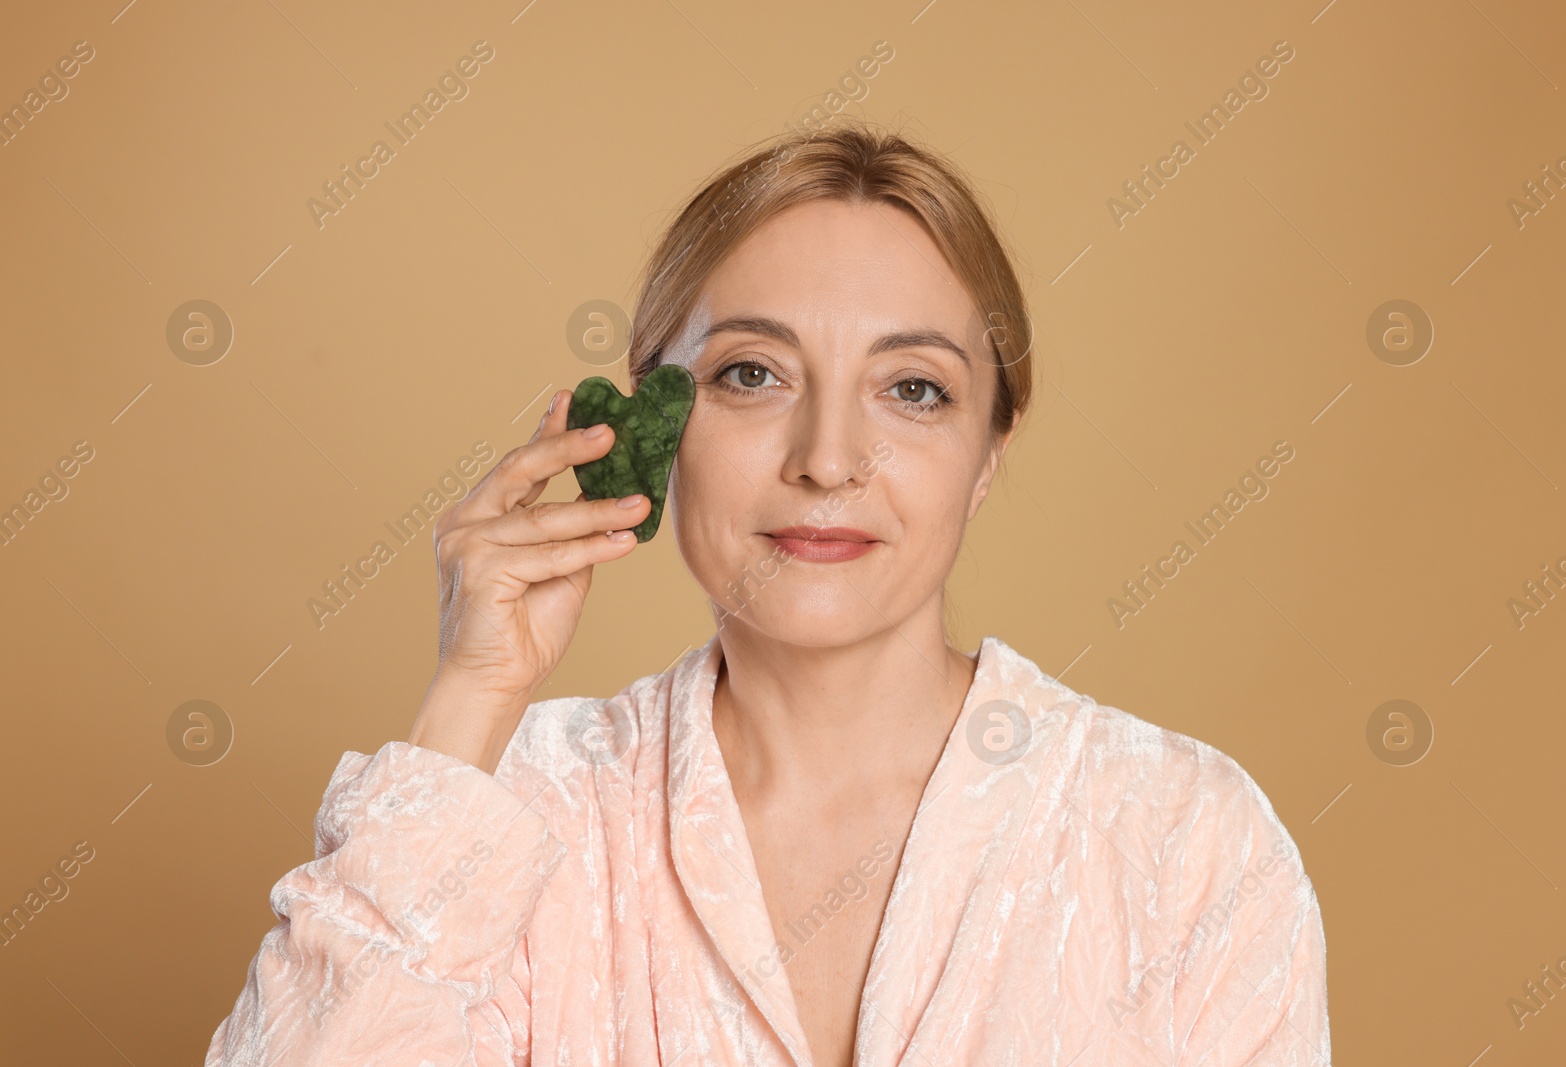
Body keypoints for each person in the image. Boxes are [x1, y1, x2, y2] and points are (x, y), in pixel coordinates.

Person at [205, 122, 1330, 1066]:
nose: (829, 457)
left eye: (913, 388)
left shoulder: (1183, 840)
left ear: (988, 452)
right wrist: (473, 693)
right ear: (648, 430)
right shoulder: (521, 812)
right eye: (752, 374)